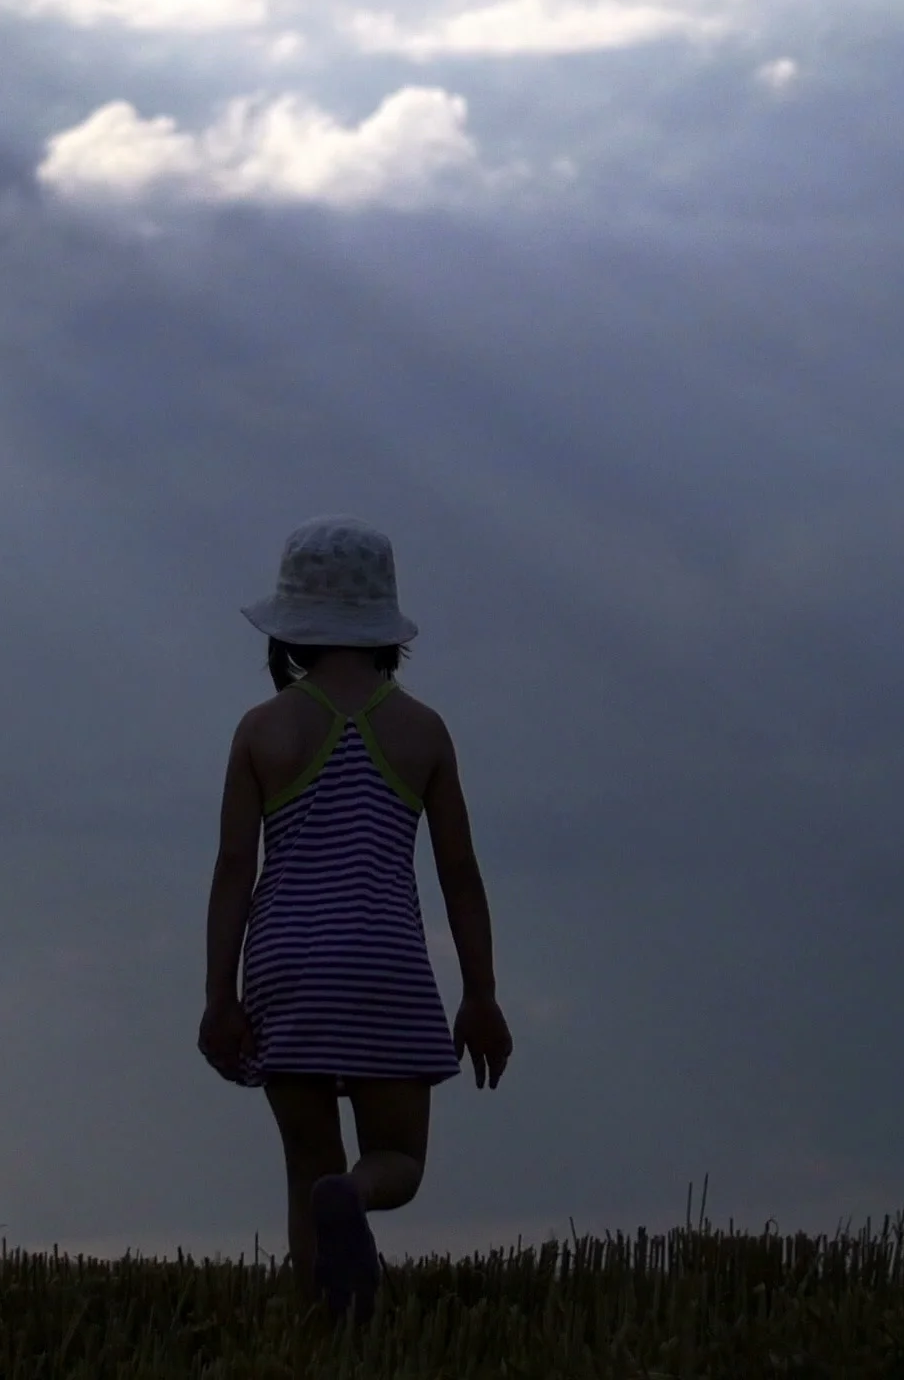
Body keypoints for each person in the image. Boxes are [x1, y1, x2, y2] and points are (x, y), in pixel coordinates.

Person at [198, 517, 512, 1320]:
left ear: (292, 630)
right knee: (399, 1155)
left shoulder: (263, 730)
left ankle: (323, 1332)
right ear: (386, 632)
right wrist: (479, 994)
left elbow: (236, 869)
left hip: (286, 964)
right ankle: (358, 1192)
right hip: (384, 963)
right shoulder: (422, 731)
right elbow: (460, 874)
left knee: (306, 1168)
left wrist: (220, 998)